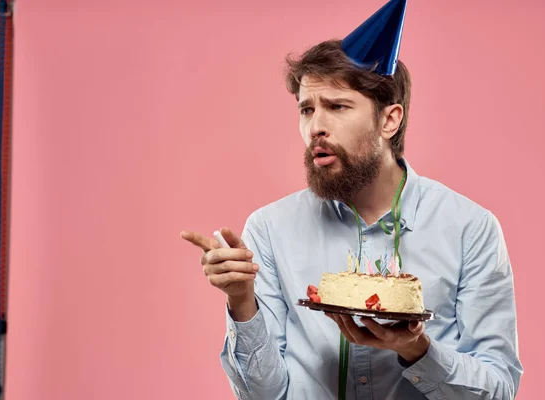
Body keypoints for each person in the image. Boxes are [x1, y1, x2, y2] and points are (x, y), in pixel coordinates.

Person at [181, 1, 523, 398]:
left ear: (388, 120)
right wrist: (242, 301)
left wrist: (415, 349)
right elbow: (263, 395)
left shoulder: (470, 229)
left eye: (337, 107)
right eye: (306, 109)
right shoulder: (270, 228)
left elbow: (499, 390)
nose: (316, 127)